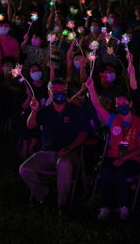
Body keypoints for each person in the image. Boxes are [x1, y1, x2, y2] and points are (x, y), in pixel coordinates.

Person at [19, 78, 87, 215]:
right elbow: (30, 125)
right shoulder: (45, 111)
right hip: (46, 153)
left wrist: (69, 148)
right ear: (49, 93)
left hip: (69, 153)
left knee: (63, 164)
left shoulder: (75, 111)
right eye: (56, 91)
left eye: (63, 91)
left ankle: (62, 205)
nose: (60, 94)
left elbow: (83, 134)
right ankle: (45, 196)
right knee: (24, 169)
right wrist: (34, 111)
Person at [85, 76, 140, 221]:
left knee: (121, 172)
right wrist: (91, 88)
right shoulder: (113, 119)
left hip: (132, 159)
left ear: (130, 104)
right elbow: (97, 106)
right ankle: (106, 207)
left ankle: (123, 207)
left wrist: (124, 158)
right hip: (113, 157)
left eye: (123, 103)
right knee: (106, 172)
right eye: (117, 103)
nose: (120, 106)